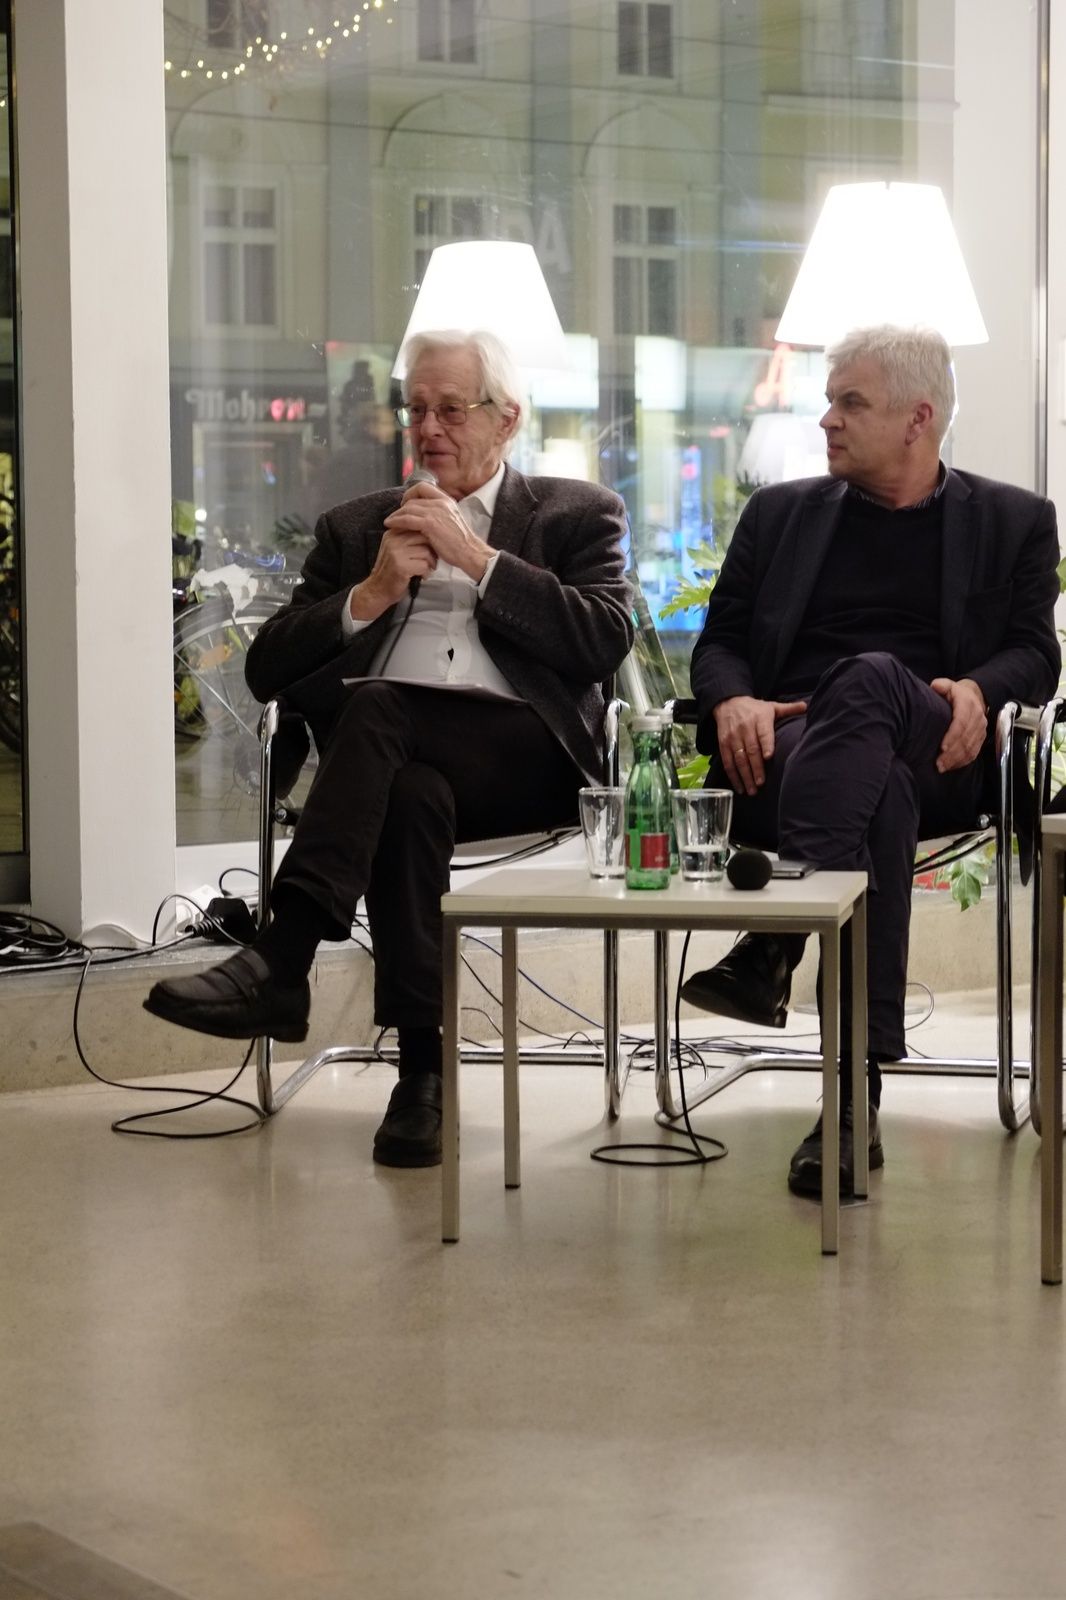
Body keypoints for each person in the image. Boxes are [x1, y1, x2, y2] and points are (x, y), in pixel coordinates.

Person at [146, 329, 634, 1167]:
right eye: (416, 410)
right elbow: (267, 671)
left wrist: (475, 558)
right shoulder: (356, 528)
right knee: (408, 793)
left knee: (377, 710)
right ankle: (421, 1079)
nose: (428, 428)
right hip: (396, 771)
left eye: (451, 409)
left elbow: (603, 638)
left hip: (526, 761)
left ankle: (284, 956)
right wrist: (370, 593)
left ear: (507, 419)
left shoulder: (577, 512)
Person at [682, 324, 1060, 1197]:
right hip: (791, 749)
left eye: (850, 402)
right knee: (874, 788)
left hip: (940, 745)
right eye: (830, 401)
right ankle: (853, 1097)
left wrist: (979, 687)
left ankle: (777, 941)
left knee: (873, 679)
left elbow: (1037, 654)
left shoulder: (1012, 520)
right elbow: (720, 641)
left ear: (918, 418)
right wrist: (732, 699)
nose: (827, 420)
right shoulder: (780, 516)